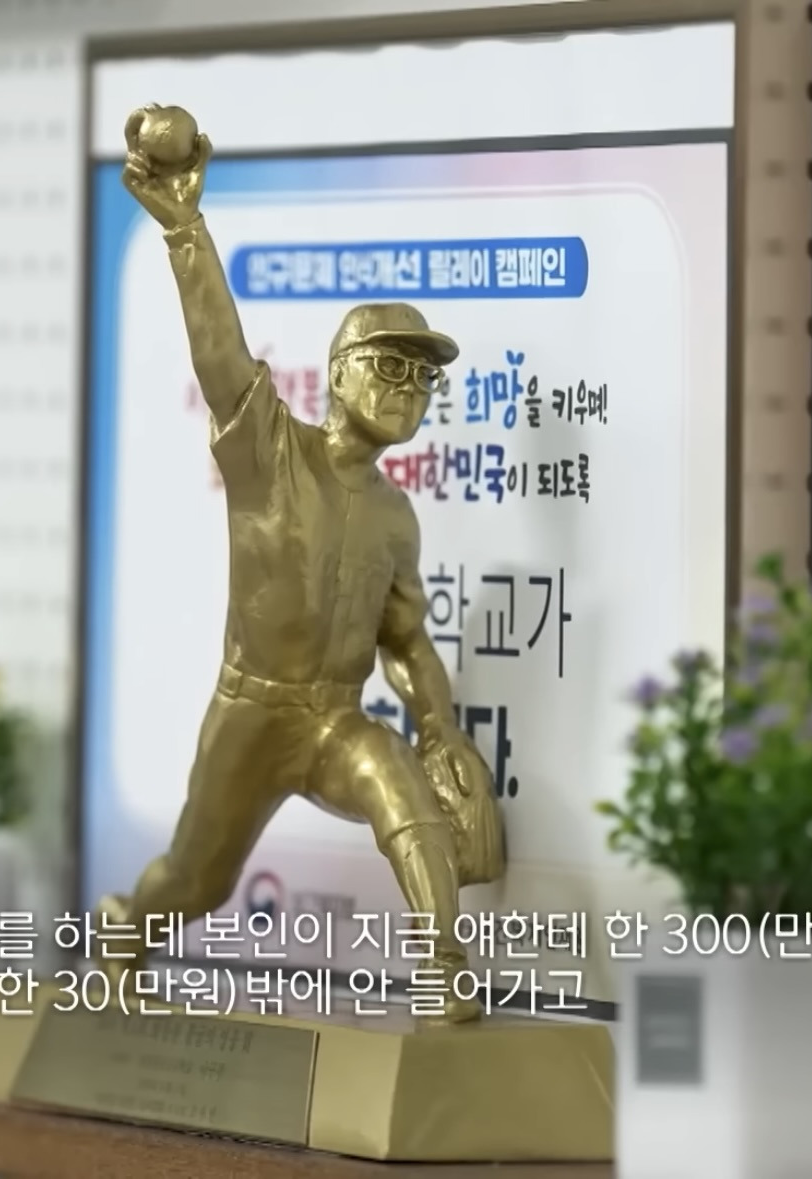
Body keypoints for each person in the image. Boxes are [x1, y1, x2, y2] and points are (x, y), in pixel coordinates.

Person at [100, 108, 503, 1023]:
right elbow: (220, 356)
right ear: (340, 372)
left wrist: (438, 724)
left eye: (423, 379)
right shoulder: (271, 451)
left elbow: (406, 641)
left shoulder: (395, 516)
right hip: (252, 714)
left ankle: (445, 967)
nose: (408, 391)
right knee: (196, 880)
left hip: (332, 720)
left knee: (398, 781)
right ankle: (126, 927)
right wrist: (184, 229)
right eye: (388, 370)